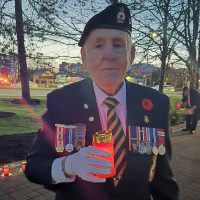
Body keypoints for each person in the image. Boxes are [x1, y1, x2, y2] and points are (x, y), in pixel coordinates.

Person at [25, 3, 179, 200]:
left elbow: (163, 181)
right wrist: (67, 165)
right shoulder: (62, 101)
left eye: (117, 44)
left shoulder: (156, 103)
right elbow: (34, 166)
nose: (109, 55)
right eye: (98, 45)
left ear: (131, 54)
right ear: (84, 56)